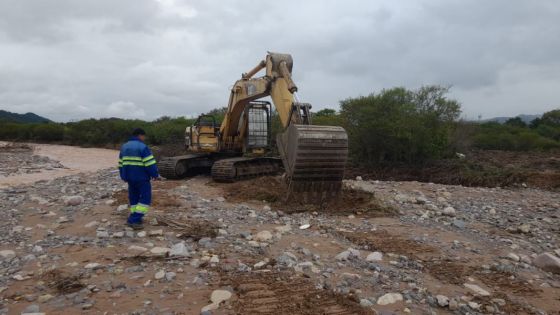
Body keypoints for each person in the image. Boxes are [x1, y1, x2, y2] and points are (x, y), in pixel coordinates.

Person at [118, 128, 159, 229]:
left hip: (129, 178)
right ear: (140, 135)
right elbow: (150, 163)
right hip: (142, 178)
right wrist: (155, 175)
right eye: (144, 136)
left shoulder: (124, 146)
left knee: (134, 198)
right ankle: (133, 219)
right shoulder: (143, 147)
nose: (144, 138)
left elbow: (120, 163)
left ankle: (137, 218)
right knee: (146, 199)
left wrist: (123, 176)